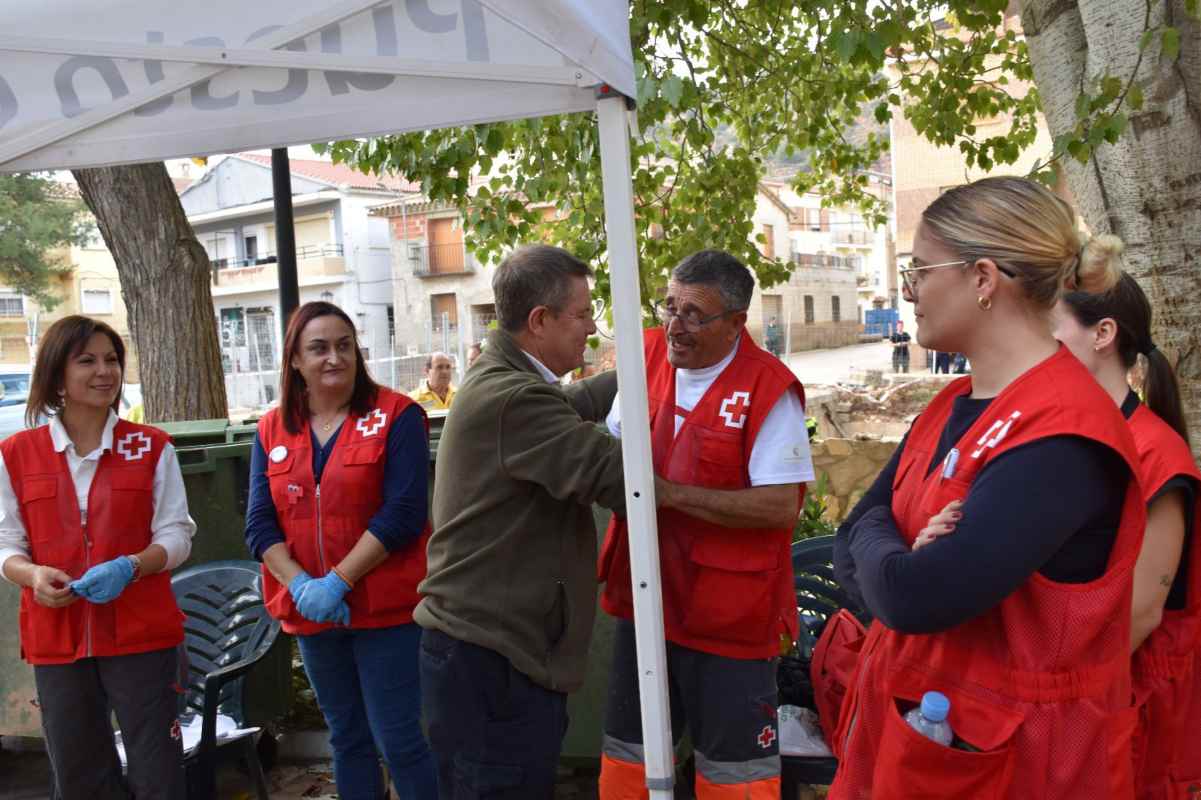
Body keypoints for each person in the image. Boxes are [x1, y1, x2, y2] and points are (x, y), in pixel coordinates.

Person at [827, 177, 1145, 798]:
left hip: (1019, 765)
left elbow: (915, 598)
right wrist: (894, 554)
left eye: (920, 270)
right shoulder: (949, 403)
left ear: (982, 278)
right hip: (919, 743)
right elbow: (852, 536)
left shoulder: (1063, 434)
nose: (909, 291)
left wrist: (893, 555)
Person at [598, 250, 814, 799]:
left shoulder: (768, 389)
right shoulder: (643, 352)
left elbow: (779, 506)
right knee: (630, 759)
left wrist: (669, 495)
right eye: (669, 307)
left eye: (694, 314)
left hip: (727, 618)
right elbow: (612, 445)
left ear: (737, 323)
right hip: (644, 600)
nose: (675, 326)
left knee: (734, 774)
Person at [416, 244, 626, 799]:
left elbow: (569, 402)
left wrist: (643, 368)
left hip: (484, 654)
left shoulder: (506, 379)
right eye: (582, 314)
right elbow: (620, 476)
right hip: (493, 664)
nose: (590, 327)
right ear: (540, 321)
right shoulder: (515, 399)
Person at [245, 301, 437, 800]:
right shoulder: (271, 429)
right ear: (295, 360)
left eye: (345, 345)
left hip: (387, 615)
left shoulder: (398, 416)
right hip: (314, 616)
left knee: (400, 739)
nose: (335, 357)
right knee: (347, 738)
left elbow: (403, 513)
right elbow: (259, 523)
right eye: (320, 348)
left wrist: (339, 580)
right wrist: (303, 585)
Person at [0, 316, 196, 800]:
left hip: (141, 636)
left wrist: (131, 566)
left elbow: (177, 535)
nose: (104, 371)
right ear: (55, 374)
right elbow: (5, 542)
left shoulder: (150, 447)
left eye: (111, 359)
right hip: (56, 638)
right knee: (80, 778)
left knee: (159, 778)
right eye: (86, 360)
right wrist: (31, 575)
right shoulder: (17, 454)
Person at [1053, 274, 1201, 798]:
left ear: (1103, 334)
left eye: (1053, 329)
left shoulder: (1157, 455)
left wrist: (1046, 691)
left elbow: (1141, 613)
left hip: (1124, 711)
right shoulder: (1065, 435)